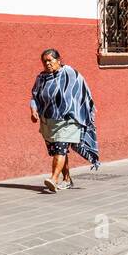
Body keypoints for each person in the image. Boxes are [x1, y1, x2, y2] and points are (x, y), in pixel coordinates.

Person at [29, 49, 99, 193]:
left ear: (58, 60)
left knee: (60, 149)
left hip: (67, 120)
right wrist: (33, 110)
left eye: (50, 60)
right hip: (49, 120)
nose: (47, 63)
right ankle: (67, 179)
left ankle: (53, 179)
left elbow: (83, 92)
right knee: (58, 151)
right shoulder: (41, 78)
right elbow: (34, 96)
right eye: (44, 61)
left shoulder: (70, 74)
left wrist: (78, 109)